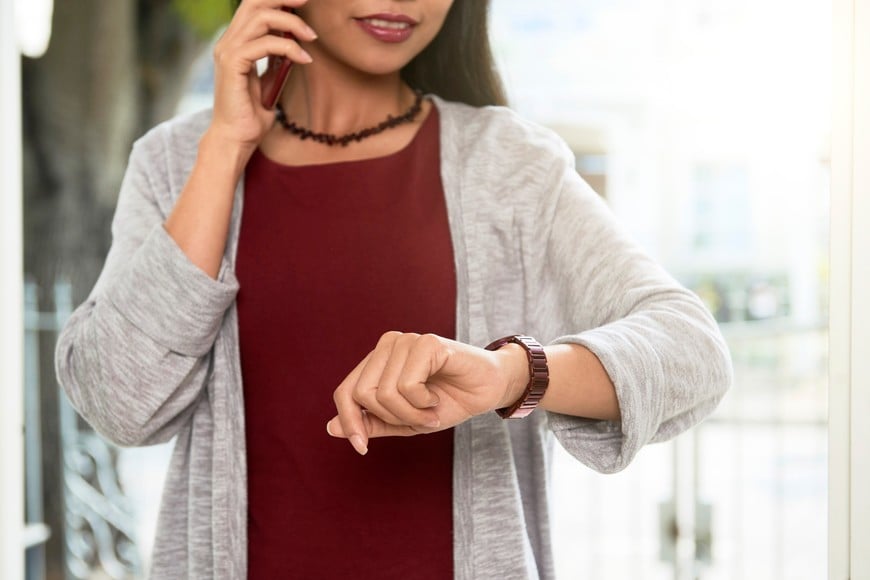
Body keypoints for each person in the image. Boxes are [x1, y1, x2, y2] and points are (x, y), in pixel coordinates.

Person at [55, 0, 733, 578]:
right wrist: (225, 146)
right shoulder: (177, 165)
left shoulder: (506, 166)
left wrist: (507, 374)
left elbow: (691, 351)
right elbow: (121, 402)